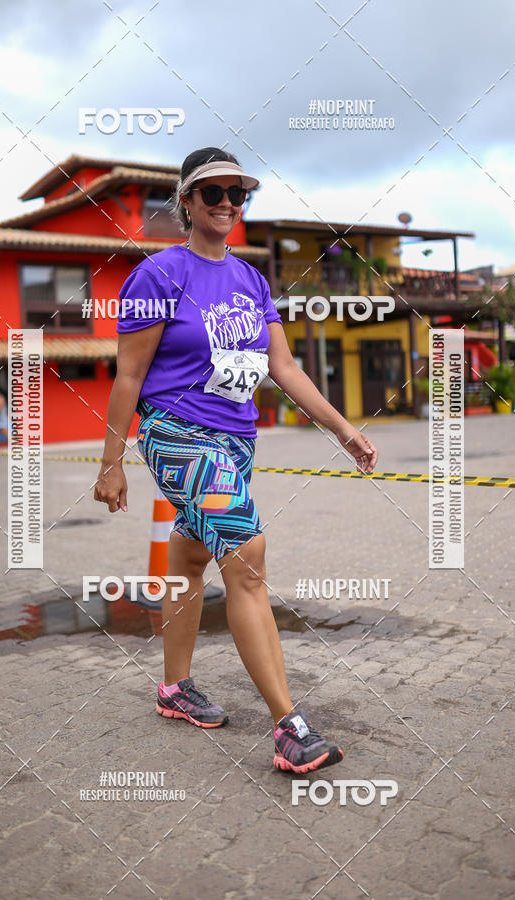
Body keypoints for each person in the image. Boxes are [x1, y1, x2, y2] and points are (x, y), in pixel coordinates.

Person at [94, 147, 378, 774]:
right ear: (187, 203)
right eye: (212, 193)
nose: (227, 203)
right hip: (177, 434)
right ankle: (289, 728)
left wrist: (341, 429)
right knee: (247, 560)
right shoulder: (159, 275)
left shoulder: (251, 279)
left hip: (236, 440)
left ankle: (174, 690)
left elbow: (283, 368)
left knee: (193, 557)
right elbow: (128, 376)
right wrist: (111, 463)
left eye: (236, 194)